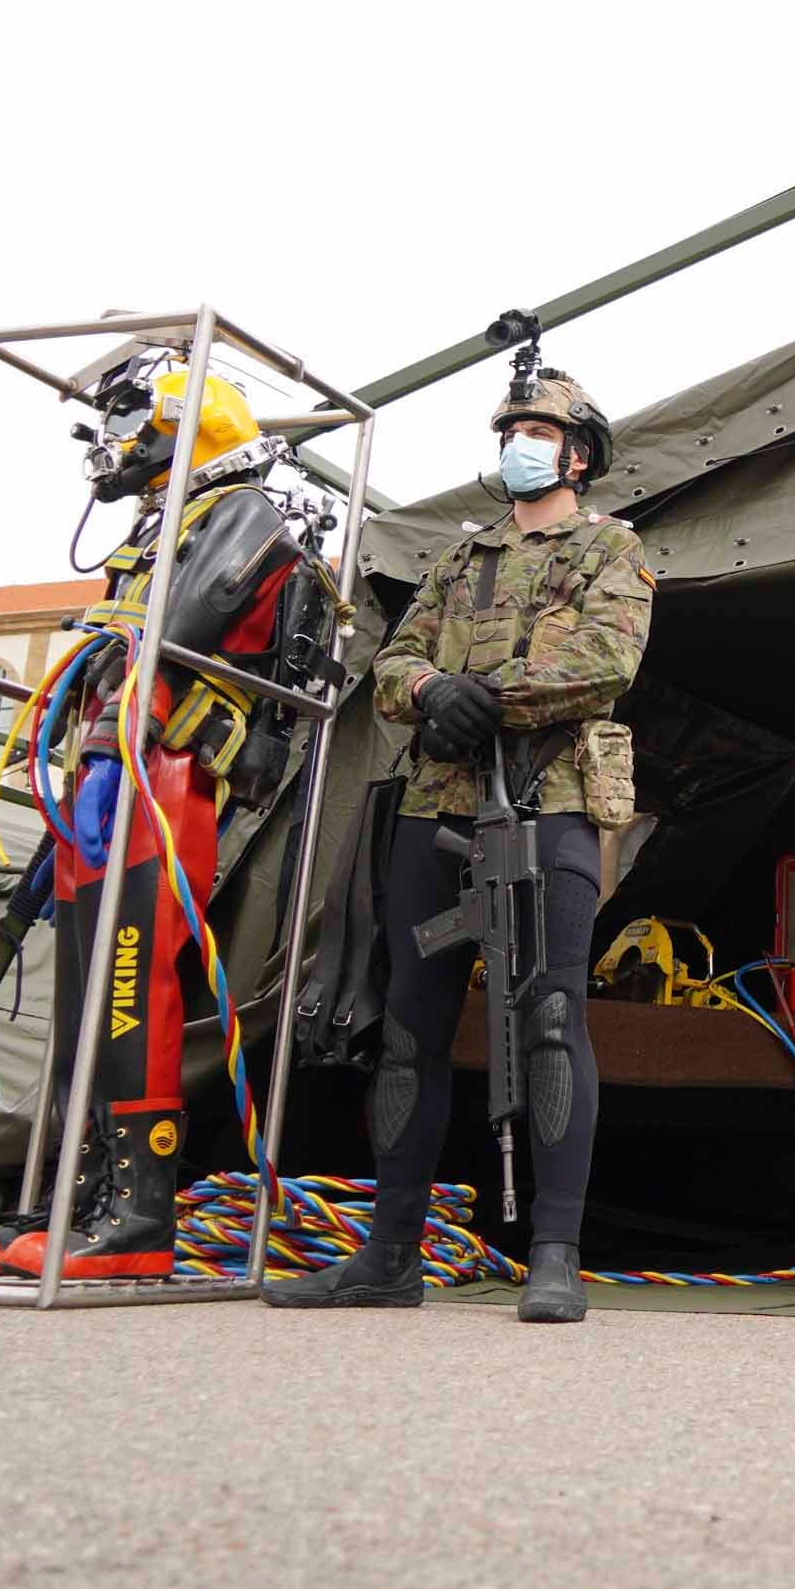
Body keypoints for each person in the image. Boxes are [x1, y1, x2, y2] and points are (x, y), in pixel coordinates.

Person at [0, 358, 340, 1280]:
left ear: (185, 424)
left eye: (130, 423)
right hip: (109, 768)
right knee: (83, 993)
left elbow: (180, 631)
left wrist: (115, 735)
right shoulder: (168, 525)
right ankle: (78, 1199)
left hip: (166, 775)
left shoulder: (243, 515)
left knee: (130, 988)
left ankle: (137, 1217)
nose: (114, 446)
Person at [266, 366, 650, 1323]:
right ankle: (389, 1254)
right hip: (435, 808)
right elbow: (394, 659)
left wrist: (486, 696)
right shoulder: (458, 559)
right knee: (408, 1023)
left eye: (538, 432)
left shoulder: (610, 548)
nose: (520, 446)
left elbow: (606, 659)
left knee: (552, 1015)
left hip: (551, 799)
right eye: (510, 432)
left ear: (577, 454)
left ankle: (555, 1253)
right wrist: (431, 691)